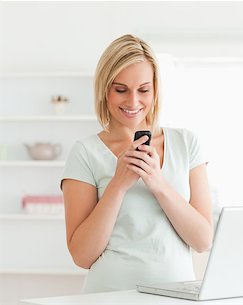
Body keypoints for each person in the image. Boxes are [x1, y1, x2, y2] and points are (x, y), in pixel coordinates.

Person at [61, 34, 213, 293]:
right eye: (120, 90)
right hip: (109, 295)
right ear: (104, 89)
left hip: (176, 295)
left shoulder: (187, 143)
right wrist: (118, 185)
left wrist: (158, 182)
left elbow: (202, 241)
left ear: (155, 90)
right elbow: (82, 256)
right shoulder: (85, 152)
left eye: (143, 90)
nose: (133, 102)